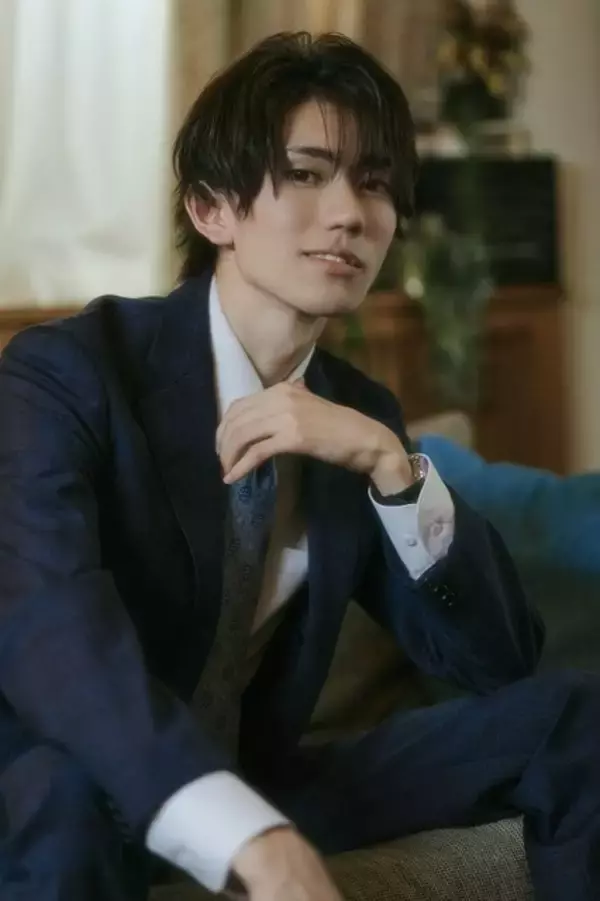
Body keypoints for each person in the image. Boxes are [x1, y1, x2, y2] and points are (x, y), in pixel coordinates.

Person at [0, 30, 598, 901]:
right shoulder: (68, 373)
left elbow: (499, 662)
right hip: (73, 781)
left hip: (260, 776)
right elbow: (53, 635)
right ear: (212, 209)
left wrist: (393, 467)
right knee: (63, 798)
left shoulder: (356, 417)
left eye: (376, 182)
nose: (351, 212)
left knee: (575, 717)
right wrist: (249, 835)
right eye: (308, 174)